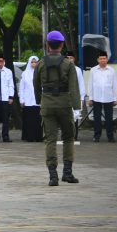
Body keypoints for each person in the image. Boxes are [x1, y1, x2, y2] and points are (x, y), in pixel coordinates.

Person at [34, 31, 81, 186]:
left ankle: (53, 176)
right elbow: (74, 87)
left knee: (50, 139)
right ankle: (67, 173)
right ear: (61, 45)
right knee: (68, 138)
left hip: (47, 104)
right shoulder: (68, 64)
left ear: (47, 45)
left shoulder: (40, 63)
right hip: (64, 105)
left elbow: (36, 85)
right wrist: (76, 107)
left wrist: (40, 100)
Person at [88, 51, 117, 143]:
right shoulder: (93, 70)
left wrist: (115, 98)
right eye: (101, 58)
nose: (102, 60)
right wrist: (91, 98)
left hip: (108, 97)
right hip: (96, 97)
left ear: (107, 59)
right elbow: (90, 84)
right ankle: (96, 136)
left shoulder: (112, 70)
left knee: (109, 118)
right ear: (98, 60)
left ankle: (110, 136)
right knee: (97, 118)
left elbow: (115, 85)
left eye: (104, 58)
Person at [19, 56, 43, 142]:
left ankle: (38, 136)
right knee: (29, 119)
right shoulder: (25, 74)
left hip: (38, 100)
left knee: (38, 119)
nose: (34, 64)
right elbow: (22, 88)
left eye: (35, 62)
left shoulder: (41, 73)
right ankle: (29, 137)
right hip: (28, 100)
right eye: (32, 62)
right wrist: (22, 99)